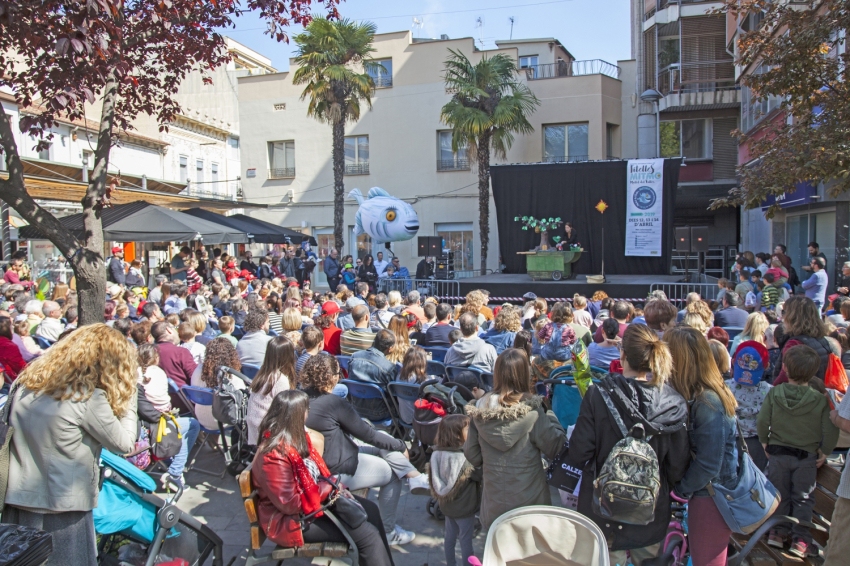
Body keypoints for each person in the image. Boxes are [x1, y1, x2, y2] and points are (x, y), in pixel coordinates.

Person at [3, 325, 137, 566]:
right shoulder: (86, 397)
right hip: (64, 509)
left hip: (18, 499)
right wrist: (130, 398)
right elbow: (124, 443)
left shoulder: (25, 386)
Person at [568, 324, 689, 565]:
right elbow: (677, 467)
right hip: (650, 512)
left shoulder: (598, 395)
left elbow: (578, 453)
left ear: (622, 355)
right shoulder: (674, 401)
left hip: (603, 512)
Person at [251, 390, 396, 565]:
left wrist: (332, 488)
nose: (308, 415)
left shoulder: (290, 440)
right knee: (368, 537)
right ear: (295, 416)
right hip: (293, 523)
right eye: (306, 411)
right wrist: (329, 489)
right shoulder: (273, 455)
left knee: (371, 510)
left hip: (311, 508)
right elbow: (291, 504)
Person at [301, 354, 428, 546]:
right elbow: (368, 435)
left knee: (387, 445)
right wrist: (402, 446)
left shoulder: (300, 398)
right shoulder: (333, 403)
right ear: (333, 378)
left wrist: (394, 444)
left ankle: (414, 476)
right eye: (338, 374)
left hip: (329, 460)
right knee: (392, 471)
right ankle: (389, 531)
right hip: (333, 471)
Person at [464, 348, 565, 528]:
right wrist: (549, 413)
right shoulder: (534, 411)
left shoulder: (480, 410)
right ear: (524, 374)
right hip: (530, 503)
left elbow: (472, 455)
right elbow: (556, 446)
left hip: (494, 502)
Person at [666, 326, 739, 566]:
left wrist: (680, 491)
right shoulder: (699, 396)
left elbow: (709, 463)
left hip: (712, 496)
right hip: (706, 494)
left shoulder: (708, 403)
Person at [758, 344, 838, 557]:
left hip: (777, 454)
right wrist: (825, 451)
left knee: (779, 494)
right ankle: (800, 539)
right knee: (803, 498)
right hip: (805, 458)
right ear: (813, 373)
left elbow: (763, 420)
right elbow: (829, 429)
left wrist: (765, 442)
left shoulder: (775, 392)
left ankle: (776, 532)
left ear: (784, 367)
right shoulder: (820, 400)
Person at [136, 344, 200, 488]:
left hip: (141, 422)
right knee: (191, 425)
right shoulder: (158, 373)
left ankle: (168, 462)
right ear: (155, 358)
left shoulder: (133, 373)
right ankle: (175, 472)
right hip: (157, 422)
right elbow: (164, 404)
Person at [429, 414, 481, 566]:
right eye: (467, 429)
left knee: (449, 539)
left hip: (446, 506)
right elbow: (479, 475)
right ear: (457, 435)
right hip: (465, 509)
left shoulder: (437, 454)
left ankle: (451, 563)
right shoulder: (465, 459)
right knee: (466, 541)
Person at [725, 340, 772, 471]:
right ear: (766, 365)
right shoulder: (770, 391)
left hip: (730, 441)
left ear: (734, 362)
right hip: (759, 443)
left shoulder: (724, 387)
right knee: (756, 479)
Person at [247, 336, 297, 445]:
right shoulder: (280, 380)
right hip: (265, 431)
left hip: (254, 426)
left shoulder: (263, 374)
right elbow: (284, 412)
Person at [190, 337, 244, 430]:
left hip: (201, 417)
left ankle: (212, 443)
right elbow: (242, 399)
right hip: (222, 420)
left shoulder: (198, 370)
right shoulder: (231, 375)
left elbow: (193, 398)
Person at [531, 302, 578, 382]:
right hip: (563, 356)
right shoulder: (569, 328)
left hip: (547, 355)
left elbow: (540, 336)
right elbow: (574, 340)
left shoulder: (548, 326)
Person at [151, 321, 197, 389]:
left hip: (157, 395)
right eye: (175, 328)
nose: (177, 332)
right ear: (168, 330)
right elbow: (195, 377)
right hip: (183, 396)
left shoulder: (149, 352)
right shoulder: (180, 352)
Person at [0, 315, 26, 380]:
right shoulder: (8, 346)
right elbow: (21, 368)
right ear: (6, 328)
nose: (13, 327)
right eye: (11, 325)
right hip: (9, 382)